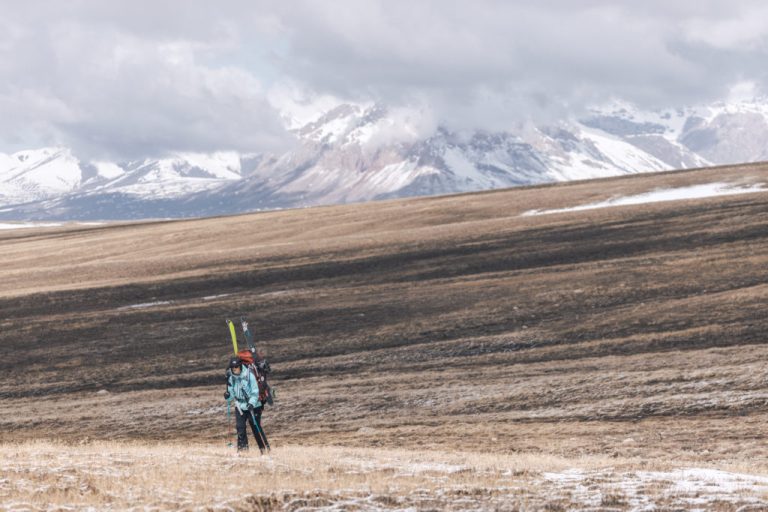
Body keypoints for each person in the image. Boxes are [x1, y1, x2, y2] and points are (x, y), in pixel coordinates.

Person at [225, 356, 269, 453]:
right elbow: (231, 394)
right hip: (240, 406)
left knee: (255, 428)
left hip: (253, 406)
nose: (234, 369)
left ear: (240, 366)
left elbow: (255, 391)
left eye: (236, 367)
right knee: (240, 428)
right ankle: (243, 451)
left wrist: (251, 403)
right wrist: (228, 395)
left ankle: (264, 449)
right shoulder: (231, 378)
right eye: (232, 368)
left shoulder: (249, 375)